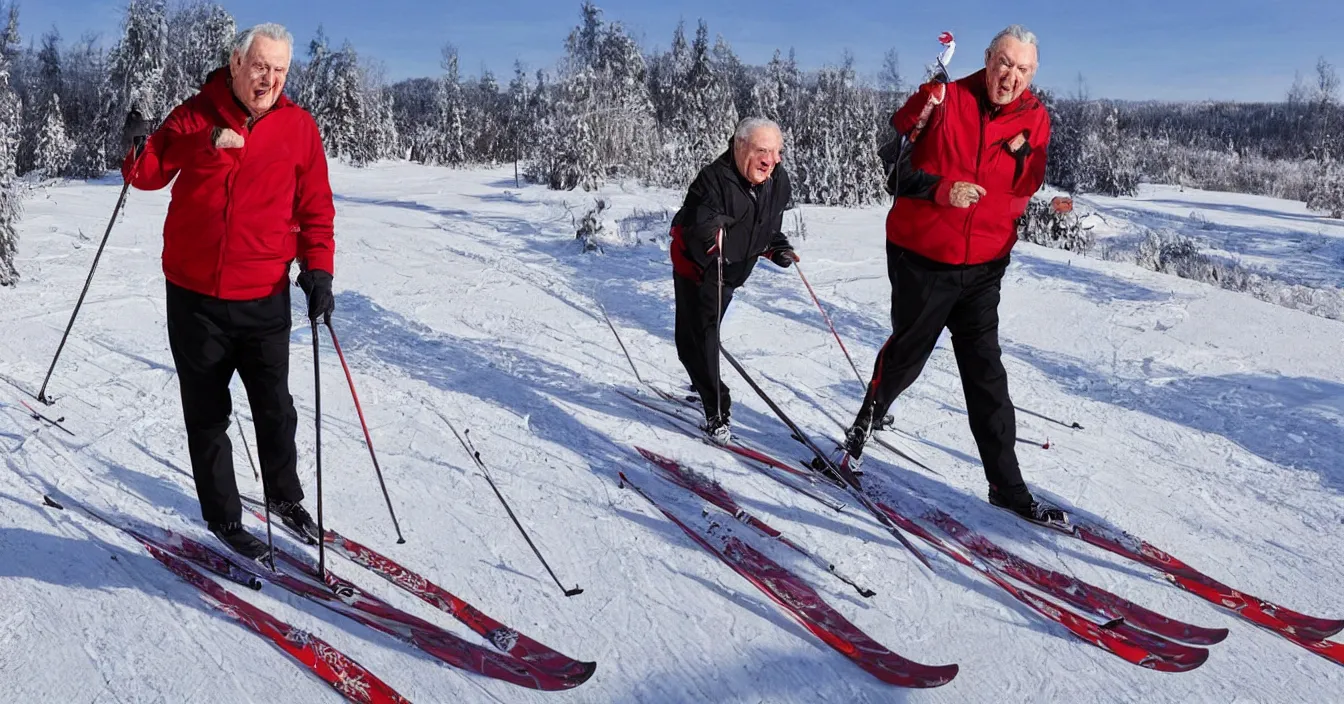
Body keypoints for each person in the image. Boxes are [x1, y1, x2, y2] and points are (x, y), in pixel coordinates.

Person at [122, 23, 335, 559]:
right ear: (236, 62)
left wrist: (319, 270)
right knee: (208, 413)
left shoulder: (299, 128)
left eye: (280, 69)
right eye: (261, 66)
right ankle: (223, 517)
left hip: (265, 295)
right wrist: (135, 141)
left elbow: (315, 209)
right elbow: (146, 173)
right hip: (195, 298)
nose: (269, 79)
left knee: (275, 408)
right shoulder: (194, 114)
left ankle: (284, 498)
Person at [843, 25, 1066, 524]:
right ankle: (859, 433)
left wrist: (1026, 153)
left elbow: (1028, 184)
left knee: (987, 373)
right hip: (923, 256)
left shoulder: (1036, 117)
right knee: (907, 354)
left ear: (1032, 75)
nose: (1010, 76)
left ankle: (1006, 485)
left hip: (984, 266)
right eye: (1004, 63)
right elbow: (893, 172)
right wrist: (944, 190)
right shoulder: (946, 97)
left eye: (1022, 69)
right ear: (987, 58)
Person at [670, 118, 796, 443]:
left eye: (776, 152)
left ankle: (706, 390)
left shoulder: (777, 181)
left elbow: (766, 226)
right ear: (740, 147)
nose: (770, 159)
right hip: (699, 271)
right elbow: (699, 225)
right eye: (761, 150)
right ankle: (716, 410)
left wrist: (777, 247)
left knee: (700, 341)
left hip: (733, 274)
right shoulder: (712, 181)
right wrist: (712, 235)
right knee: (697, 342)